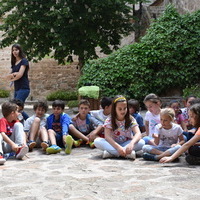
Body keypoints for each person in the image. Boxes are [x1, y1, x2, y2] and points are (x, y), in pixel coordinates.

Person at [94, 95, 145, 160]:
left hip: (127, 143)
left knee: (142, 142)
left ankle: (111, 153)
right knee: (97, 141)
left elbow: (138, 133)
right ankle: (126, 154)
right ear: (114, 109)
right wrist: (118, 147)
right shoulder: (109, 120)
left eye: (125, 108)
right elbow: (107, 136)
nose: (123, 111)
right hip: (113, 144)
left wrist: (131, 144)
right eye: (120, 109)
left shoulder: (131, 119)